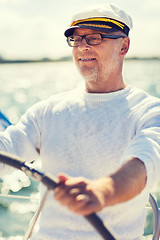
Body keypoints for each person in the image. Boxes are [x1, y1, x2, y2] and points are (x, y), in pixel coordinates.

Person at [0, 3, 160, 240]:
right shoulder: (48, 111)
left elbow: (145, 164)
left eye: (95, 38)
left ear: (124, 46)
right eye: (76, 39)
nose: (82, 45)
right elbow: (7, 150)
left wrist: (102, 191)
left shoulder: (148, 111)